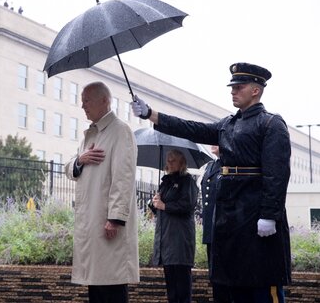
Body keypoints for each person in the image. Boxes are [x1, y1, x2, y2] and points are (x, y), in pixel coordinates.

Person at [131, 62, 291, 303]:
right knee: (231, 285)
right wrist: (151, 114)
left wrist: (269, 214)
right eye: (233, 87)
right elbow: (192, 128)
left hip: (255, 213)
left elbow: (277, 176)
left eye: (239, 86)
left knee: (260, 285)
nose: (232, 91)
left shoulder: (271, 124)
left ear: (255, 90)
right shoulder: (228, 124)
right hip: (229, 217)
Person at [65, 81, 140, 303]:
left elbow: (123, 177)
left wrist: (115, 218)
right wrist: (80, 159)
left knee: (112, 284)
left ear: (104, 101)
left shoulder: (120, 131)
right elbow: (69, 169)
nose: (82, 106)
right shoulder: (91, 134)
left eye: (86, 100)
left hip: (108, 222)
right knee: (96, 286)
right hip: (91, 221)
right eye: (82, 101)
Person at [150, 149, 198, 303]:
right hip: (167, 240)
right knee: (171, 288)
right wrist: (154, 204)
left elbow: (187, 205)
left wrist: (164, 205)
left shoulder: (188, 181)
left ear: (182, 163)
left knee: (182, 287)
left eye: (173, 160)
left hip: (180, 240)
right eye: (168, 160)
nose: (169, 163)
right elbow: (161, 210)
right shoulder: (166, 182)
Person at [201, 146, 232, 302]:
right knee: (214, 274)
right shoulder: (210, 165)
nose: (212, 144)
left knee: (225, 274)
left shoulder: (230, 163)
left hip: (223, 226)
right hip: (210, 227)